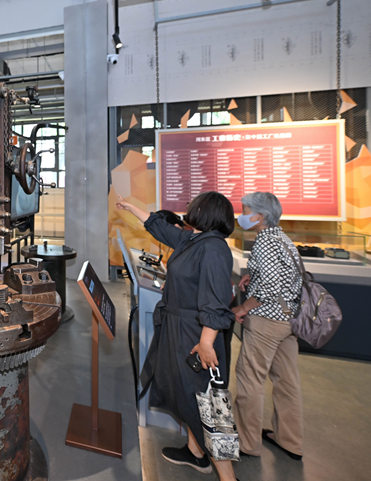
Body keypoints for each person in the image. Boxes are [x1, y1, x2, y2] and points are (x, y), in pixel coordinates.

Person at [116, 192, 238, 480]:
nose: (188, 208)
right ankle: (196, 453)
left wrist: (206, 342)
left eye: (194, 205)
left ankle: (228, 477)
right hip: (179, 328)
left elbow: (216, 301)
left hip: (195, 335)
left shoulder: (213, 249)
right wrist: (131, 206)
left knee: (206, 404)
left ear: (205, 213)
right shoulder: (194, 240)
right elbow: (159, 227)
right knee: (186, 395)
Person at [231, 192, 304, 461]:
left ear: (260, 216)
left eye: (245, 210)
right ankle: (290, 441)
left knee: (250, 378)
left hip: (266, 322)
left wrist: (243, 307)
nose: (242, 216)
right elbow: (286, 277)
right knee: (287, 382)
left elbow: (271, 288)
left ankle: (246, 442)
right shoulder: (282, 239)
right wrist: (254, 275)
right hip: (288, 320)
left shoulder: (264, 242)